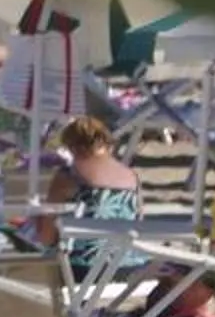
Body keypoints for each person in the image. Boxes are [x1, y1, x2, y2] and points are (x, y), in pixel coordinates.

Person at [37, 115, 140, 278]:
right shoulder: (132, 177)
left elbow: (46, 237)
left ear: (72, 147)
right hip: (129, 265)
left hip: (85, 269)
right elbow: (138, 222)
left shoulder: (69, 175)